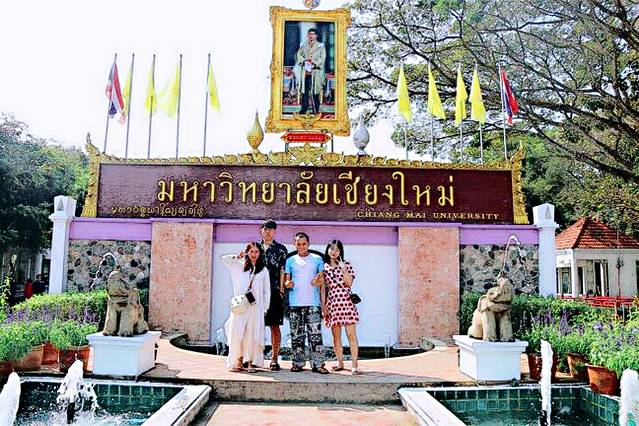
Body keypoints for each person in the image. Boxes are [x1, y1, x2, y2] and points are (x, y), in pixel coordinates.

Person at [221, 242, 271, 373]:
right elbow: (224, 259)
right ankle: (238, 360)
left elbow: (267, 290)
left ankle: (250, 362)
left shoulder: (263, 270)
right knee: (238, 333)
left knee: (252, 334)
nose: (254, 254)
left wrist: (265, 308)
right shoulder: (239, 266)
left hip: (256, 307)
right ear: (247, 252)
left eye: (256, 252)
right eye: (251, 251)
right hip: (241, 306)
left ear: (260, 253)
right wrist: (238, 257)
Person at [284, 232, 329, 374]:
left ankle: (318, 364)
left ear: (308, 244)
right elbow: (286, 280)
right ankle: (297, 363)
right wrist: (287, 283)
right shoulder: (290, 260)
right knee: (296, 335)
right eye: (298, 244)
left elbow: (322, 282)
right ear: (294, 244)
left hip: (313, 303)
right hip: (295, 303)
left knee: (315, 335)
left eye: (304, 243)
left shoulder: (317, 259)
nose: (301, 246)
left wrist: (323, 304)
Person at [323, 240, 361, 375]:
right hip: (333, 302)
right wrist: (324, 305)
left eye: (337, 249)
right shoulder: (324, 267)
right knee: (336, 336)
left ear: (341, 251)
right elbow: (323, 288)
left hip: (346, 302)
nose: (334, 252)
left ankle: (355, 364)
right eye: (332, 249)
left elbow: (349, 283)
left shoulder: (347, 264)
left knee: (351, 334)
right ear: (328, 250)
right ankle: (340, 363)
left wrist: (343, 268)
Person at [258, 219, 288, 371]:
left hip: (274, 292)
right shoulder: (255, 248)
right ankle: (253, 358)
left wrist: (282, 291)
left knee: (274, 326)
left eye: (270, 229)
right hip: (257, 293)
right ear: (261, 230)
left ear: (274, 231)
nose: (268, 232)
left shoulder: (281, 249)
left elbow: (283, 270)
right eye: (265, 229)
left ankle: (274, 359)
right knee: (254, 325)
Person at [296, 28, 326, 115]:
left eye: (313, 34)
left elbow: (322, 58)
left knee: (315, 91)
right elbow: (298, 55)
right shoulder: (303, 45)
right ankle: (304, 108)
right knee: (304, 91)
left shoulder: (320, 46)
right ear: (308, 35)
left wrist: (314, 62)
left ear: (316, 36)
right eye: (310, 34)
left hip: (315, 72)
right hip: (305, 72)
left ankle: (316, 109)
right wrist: (304, 61)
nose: (311, 36)